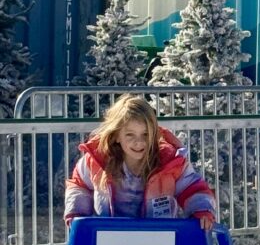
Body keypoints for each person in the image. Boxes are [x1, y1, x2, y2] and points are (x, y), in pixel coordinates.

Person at [64, 94, 216, 229]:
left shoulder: (169, 163)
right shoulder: (98, 162)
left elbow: (193, 187)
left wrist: (201, 210)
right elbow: (79, 185)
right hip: (110, 240)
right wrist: (77, 213)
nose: (139, 142)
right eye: (130, 135)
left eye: (145, 134)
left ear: (154, 135)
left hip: (157, 242)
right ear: (116, 135)